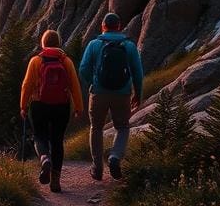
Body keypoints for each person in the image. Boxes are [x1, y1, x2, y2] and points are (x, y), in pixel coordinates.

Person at [79, 12, 144, 181]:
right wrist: (138, 93)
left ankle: (97, 168)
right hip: (122, 94)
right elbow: (137, 72)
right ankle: (115, 157)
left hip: (98, 93)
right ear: (119, 26)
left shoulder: (94, 44)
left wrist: (92, 83)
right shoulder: (129, 46)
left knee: (96, 128)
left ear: (103, 26)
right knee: (122, 127)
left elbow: (83, 69)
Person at [19, 30, 83, 193]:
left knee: (39, 136)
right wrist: (78, 107)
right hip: (61, 106)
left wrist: (23, 106)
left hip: (39, 105)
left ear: (43, 43)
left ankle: (44, 158)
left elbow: (27, 85)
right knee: (57, 141)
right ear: (59, 43)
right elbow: (75, 85)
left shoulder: (36, 61)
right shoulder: (66, 61)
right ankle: (55, 181)